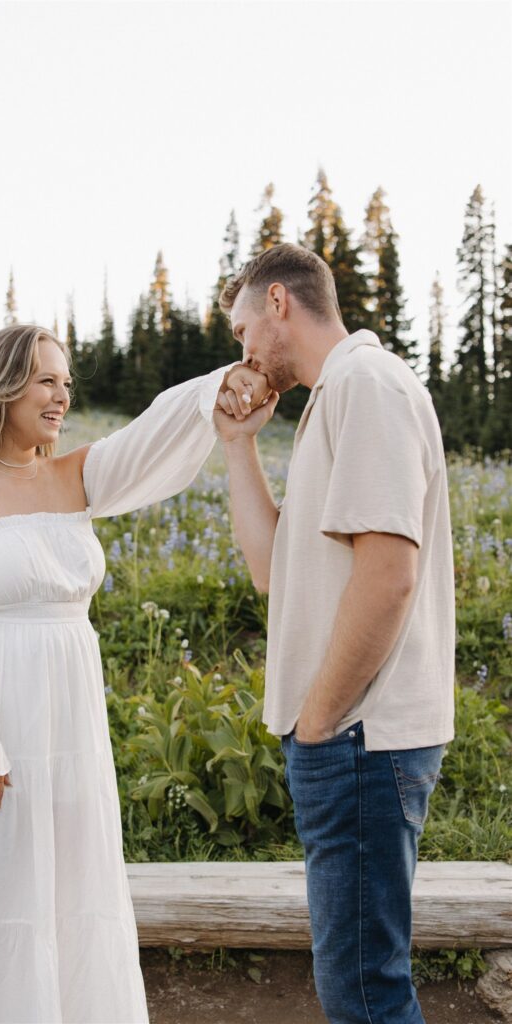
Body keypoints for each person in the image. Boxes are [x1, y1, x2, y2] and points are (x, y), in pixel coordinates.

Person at [0, 323, 269, 1024]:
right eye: (45, 380)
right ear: (2, 387)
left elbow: (150, 436)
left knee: (63, 894)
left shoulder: (73, 477)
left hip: (65, 725)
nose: (61, 395)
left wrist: (220, 385)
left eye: (66, 382)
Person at [213, 243, 455, 1024]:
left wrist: (319, 721)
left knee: (363, 993)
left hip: (357, 734)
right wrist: (238, 444)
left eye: (243, 327)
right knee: (358, 983)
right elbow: (272, 572)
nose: (243, 351)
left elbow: (388, 575)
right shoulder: (337, 395)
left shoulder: (366, 386)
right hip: (348, 735)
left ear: (278, 302)